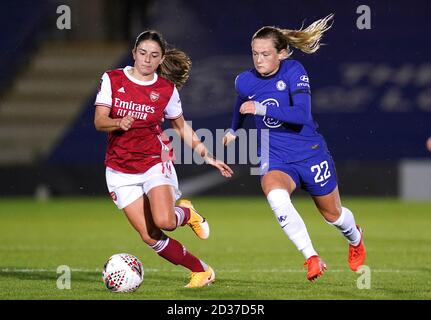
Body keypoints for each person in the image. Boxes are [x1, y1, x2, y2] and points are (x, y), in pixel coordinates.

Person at [223, 14, 366, 281]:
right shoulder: (244, 80)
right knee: (275, 196)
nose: (259, 60)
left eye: (265, 54)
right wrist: (233, 129)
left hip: (309, 152)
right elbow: (241, 103)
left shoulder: (294, 71)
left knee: (333, 216)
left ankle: (356, 239)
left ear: (282, 53)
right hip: (275, 156)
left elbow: (301, 114)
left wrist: (261, 108)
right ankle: (311, 257)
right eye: (255, 53)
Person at [94, 30, 233, 288]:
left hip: (154, 162)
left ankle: (186, 213)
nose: (147, 59)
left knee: (166, 221)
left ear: (160, 60)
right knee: (149, 235)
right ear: (134, 53)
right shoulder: (112, 79)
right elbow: (99, 121)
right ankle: (201, 270)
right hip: (119, 170)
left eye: (154, 55)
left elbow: (181, 127)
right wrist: (117, 121)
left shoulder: (166, 89)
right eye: (143, 53)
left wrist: (208, 155)